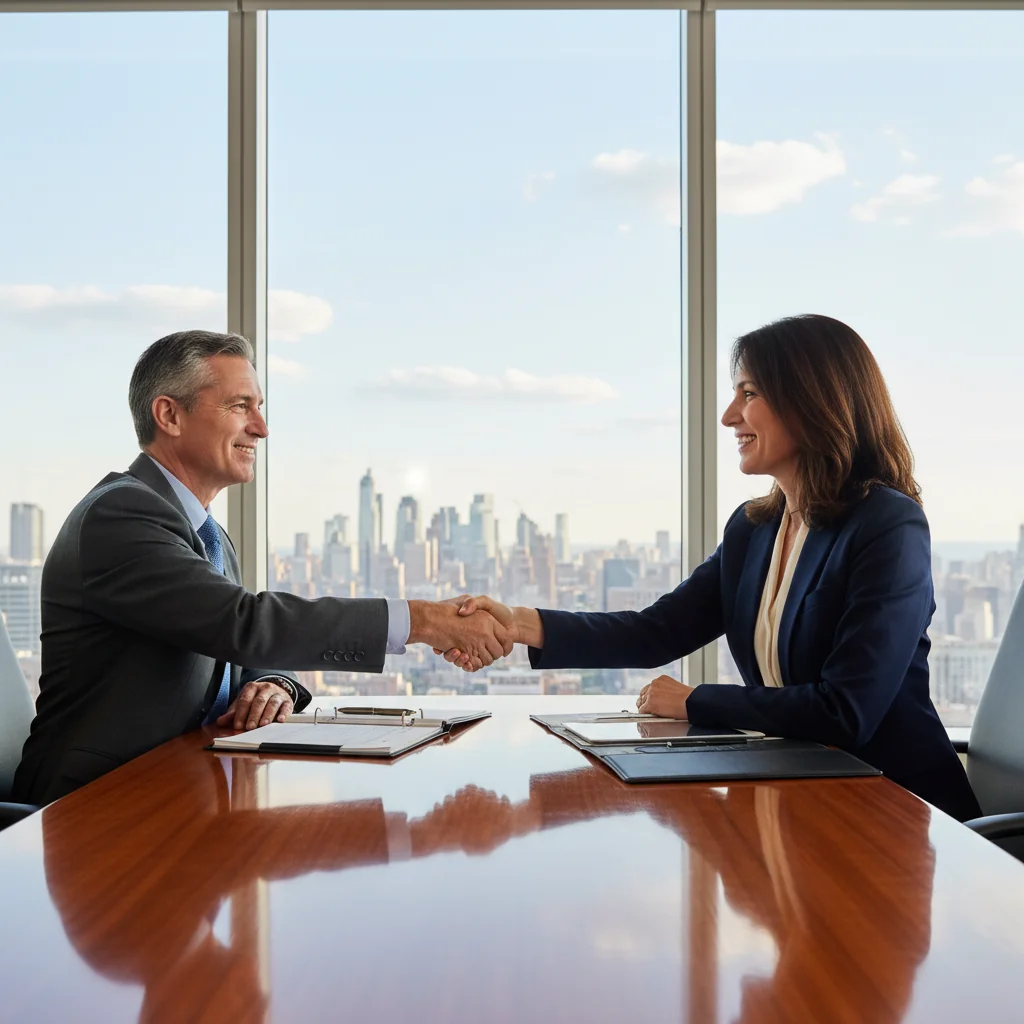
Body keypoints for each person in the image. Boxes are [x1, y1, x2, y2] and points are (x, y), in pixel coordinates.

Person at [447, 314, 981, 821]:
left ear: (812, 401)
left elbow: (847, 709)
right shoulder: (754, 529)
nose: (729, 416)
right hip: (802, 794)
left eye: (749, 394)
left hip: (899, 809)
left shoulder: (888, 525)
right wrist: (517, 624)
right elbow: (655, 632)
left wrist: (695, 701)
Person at [13, 330, 511, 805]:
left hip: (180, 786)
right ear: (169, 414)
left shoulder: (199, 529)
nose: (261, 427)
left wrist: (276, 685)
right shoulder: (120, 516)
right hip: (95, 804)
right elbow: (243, 623)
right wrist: (422, 621)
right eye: (239, 406)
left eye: (259, 407)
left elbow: (233, 646)